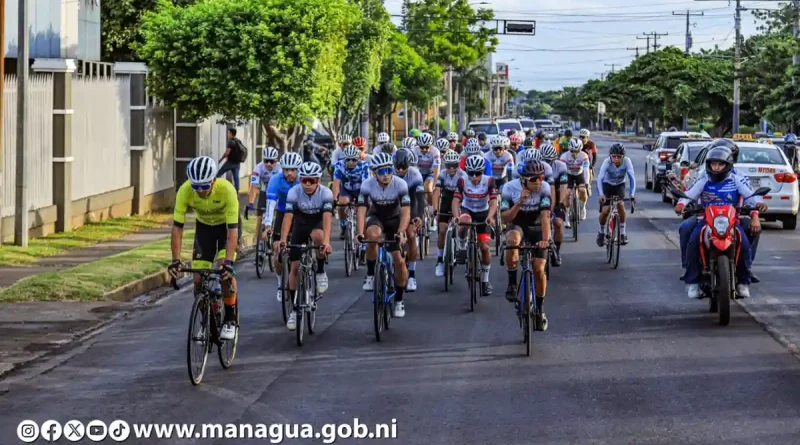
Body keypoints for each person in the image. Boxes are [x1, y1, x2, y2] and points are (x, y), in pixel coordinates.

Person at [677, 147, 767, 299]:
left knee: (744, 245)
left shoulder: (736, 180)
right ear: (709, 165)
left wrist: (758, 205)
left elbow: (751, 196)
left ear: (728, 165)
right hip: (706, 220)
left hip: (732, 221)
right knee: (694, 242)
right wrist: (681, 204)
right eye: (714, 164)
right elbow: (689, 195)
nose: (717, 168)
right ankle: (692, 282)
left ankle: (743, 282)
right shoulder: (704, 180)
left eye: (720, 164)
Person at [169, 156, 240, 340]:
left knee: (224, 269)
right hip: (204, 229)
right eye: (196, 186)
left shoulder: (227, 190)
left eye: (204, 186)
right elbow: (177, 228)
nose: (200, 191)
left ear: (213, 180)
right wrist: (176, 260)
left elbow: (233, 232)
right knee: (198, 278)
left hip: (226, 228)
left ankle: (230, 318)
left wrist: (230, 263)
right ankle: (206, 320)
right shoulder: (184, 191)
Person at [280, 162, 334, 331]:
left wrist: (326, 241)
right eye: (304, 180)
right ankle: (294, 310)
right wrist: (282, 239)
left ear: (318, 180)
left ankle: (320, 270)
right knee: (294, 266)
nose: (308, 184)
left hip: (317, 221)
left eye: (312, 180)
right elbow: (288, 217)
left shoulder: (326, 193)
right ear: (300, 180)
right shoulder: (293, 192)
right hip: (301, 223)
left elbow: (327, 218)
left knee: (318, 237)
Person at [357, 152, 411, 317]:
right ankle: (371, 274)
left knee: (400, 263)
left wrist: (401, 232)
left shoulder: (400, 184)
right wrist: (359, 233)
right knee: (372, 236)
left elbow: (406, 211)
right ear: (374, 173)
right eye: (382, 171)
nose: (386, 175)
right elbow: (361, 210)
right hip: (377, 217)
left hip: (395, 220)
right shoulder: (367, 185)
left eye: (389, 170)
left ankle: (400, 300)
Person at [500, 160, 552, 331]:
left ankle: (540, 309)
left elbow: (545, 217)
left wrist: (546, 240)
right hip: (517, 223)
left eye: (540, 177)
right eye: (533, 179)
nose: (538, 181)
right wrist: (519, 202)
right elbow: (505, 218)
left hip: (537, 225)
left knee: (538, 269)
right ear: (523, 180)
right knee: (512, 241)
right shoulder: (509, 188)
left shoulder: (544, 188)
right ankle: (512, 283)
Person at [452, 155, 498, 296]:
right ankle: (461, 246)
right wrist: (456, 217)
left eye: (477, 173)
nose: (474, 177)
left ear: (482, 172)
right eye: (471, 173)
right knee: (464, 219)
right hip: (468, 210)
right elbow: (455, 201)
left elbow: (493, 202)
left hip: (484, 213)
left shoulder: (489, 181)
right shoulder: (462, 180)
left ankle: (485, 281)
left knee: (484, 248)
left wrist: (490, 217)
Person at [263, 152, 303, 302]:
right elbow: (270, 204)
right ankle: (280, 282)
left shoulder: (303, 180)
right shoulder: (275, 180)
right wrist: (268, 225)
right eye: (286, 170)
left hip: (300, 213)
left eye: (293, 170)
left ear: (298, 170)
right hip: (282, 212)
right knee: (278, 250)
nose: (289, 173)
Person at [394, 150, 426, 292]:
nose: (400, 170)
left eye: (403, 168)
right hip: (395, 203)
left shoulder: (415, 175)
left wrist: (419, 216)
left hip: (411, 201)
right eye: (398, 168)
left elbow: (419, 198)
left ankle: (412, 274)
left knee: (411, 234)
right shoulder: (390, 172)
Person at [433, 150, 467, 276]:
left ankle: (461, 244)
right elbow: (436, 191)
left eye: (454, 166)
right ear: (445, 165)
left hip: (459, 201)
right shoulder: (442, 174)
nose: (452, 169)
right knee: (442, 230)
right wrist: (435, 209)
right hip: (446, 201)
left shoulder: (463, 175)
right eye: (449, 166)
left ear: (458, 165)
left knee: (460, 225)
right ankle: (440, 260)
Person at [596, 143, 636, 247]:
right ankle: (601, 232)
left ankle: (623, 233)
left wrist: (632, 194)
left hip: (619, 185)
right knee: (605, 211)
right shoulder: (607, 162)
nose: (616, 159)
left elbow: (632, 178)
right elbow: (600, 178)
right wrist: (601, 194)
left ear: (623, 157)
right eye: (614, 156)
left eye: (619, 157)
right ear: (610, 156)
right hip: (607, 185)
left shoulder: (627, 161)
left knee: (621, 206)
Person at [332, 145, 370, 240]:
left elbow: (366, 184)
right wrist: (334, 199)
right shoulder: (339, 165)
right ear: (344, 159)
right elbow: (336, 184)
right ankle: (343, 224)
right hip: (346, 189)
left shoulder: (364, 166)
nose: (351, 162)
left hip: (360, 190)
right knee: (342, 203)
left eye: (354, 160)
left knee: (362, 210)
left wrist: (365, 201)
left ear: (358, 159)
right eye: (348, 160)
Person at [539, 142, 568, 264]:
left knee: (558, 223)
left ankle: (557, 249)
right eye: (544, 160)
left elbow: (563, 187)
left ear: (555, 158)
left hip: (556, 194)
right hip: (540, 197)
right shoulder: (536, 166)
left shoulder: (561, 167)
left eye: (549, 161)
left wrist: (560, 203)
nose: (547, 163)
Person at [246, 147, 282, 243]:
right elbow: (254, 186)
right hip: (264, 192)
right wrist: (251, 202)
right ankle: (258, 240)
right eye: (266, 161)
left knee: (277, 214)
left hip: (277, 192)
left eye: (271, 161)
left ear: (276, 161)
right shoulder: (259, 167)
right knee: (259, 218)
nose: (268, 164)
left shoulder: (280, 168)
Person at [413, 133, 442, 229]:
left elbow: (436, 169)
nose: (424, 150)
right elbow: (413, 167)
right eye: (422, 147)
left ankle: (431, 211)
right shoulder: (415, 150)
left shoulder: (435, 151)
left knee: (428, 187)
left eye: (427, 147)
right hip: (419, 173)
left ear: (431, 145)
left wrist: (434, 184)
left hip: (430, 173)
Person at [560, 137, 591, 221]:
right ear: (569, 149)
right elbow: (562, 171)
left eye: (577, 151)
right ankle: (567, 213)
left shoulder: (584, 155)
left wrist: (586, 183)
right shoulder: (564, 156)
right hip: (568, 175)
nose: (575, 153)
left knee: (583, 190)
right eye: (573, 151)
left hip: (579, 174)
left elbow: (586, 170)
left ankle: (582, 208)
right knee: (567, 193)